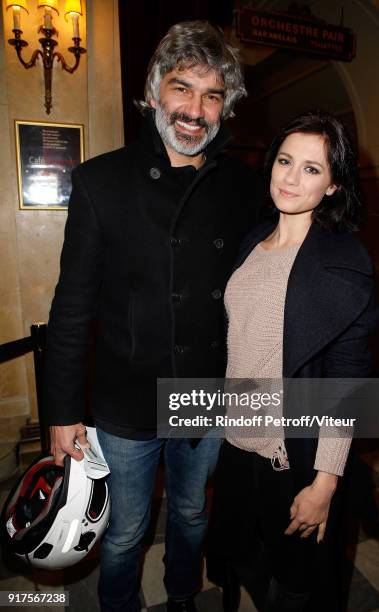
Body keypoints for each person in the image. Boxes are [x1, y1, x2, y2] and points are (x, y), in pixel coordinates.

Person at [43, 21, 261, 612]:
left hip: (206, 396)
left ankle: (184, 597)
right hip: (126, 401)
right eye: (182, 88)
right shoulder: (99, 181)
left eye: (212, 95)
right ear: (154, 93)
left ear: (226, 107)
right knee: (124, 533)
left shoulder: (244, 186)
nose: (195, 109)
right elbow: (71, 308)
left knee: (191, 514)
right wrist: (62, 413)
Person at [207, 110, 379, 611]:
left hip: (294, 457)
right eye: (285, 161)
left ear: (332, 185)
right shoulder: (251, 244)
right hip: (238, 447)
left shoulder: (342, 267)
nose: (291, 177)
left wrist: (325, 482)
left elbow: (346, 385)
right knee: (244, 562)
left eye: (311, 168)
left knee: (296, 589)